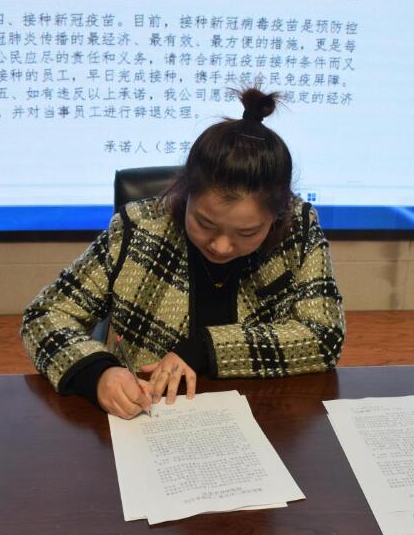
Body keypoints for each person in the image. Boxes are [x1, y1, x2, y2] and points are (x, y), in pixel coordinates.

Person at [21, 87, 346, 419]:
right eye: (204, 223)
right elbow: (45, 315)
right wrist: (97, 373)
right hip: (147, 415)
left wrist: (205, 348)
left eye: (247, 232)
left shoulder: (297, 228)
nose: (220, 246)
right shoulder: (139, 228)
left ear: (277, 215)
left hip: (263, 414)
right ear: (184, 193)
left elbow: (325, 335)